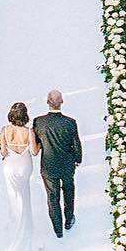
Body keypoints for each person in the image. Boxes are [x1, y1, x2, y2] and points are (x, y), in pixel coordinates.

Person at [0, 101, 42, 251]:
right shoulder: (29, 131)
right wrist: (40, 142)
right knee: (24, 196)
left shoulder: (5, 130)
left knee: (13, 196)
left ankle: (15, 221)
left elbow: (3, 151)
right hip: (24, 166)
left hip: (9, 165)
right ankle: (25, 227)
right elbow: (34, 152)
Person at [33, 90, 82, 239]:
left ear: (47, 101)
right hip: (67, 163)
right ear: (62, 102)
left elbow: (37, 142)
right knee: (69, 190)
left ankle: (58, 229)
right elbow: (76, 143)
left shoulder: (38, 122)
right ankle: (69, 220)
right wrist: (78, 159)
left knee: (52, 196)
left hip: (49, 165)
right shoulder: (70, 122)